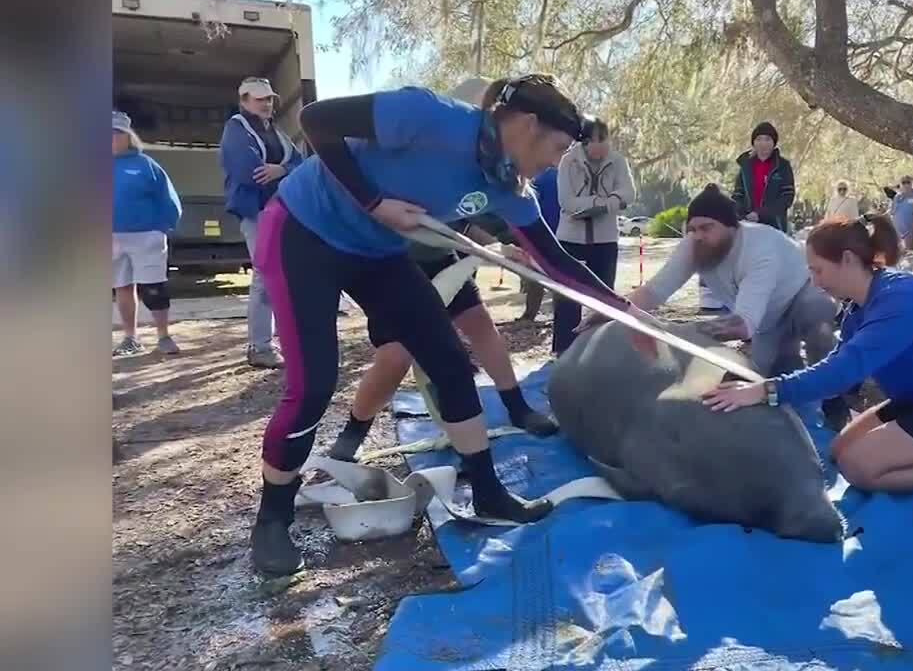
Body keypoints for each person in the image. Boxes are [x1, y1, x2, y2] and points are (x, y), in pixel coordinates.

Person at [248, 74, 657, 576]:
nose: (556, 162)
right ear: (528, 125)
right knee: (313, 385)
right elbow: (317, 121)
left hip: (377, 252)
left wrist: (623, 309)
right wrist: (374, 201)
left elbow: (556, 262)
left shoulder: (508, 189)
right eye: (555, 147)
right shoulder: (429, 116)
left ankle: (487, 492)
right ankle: (272, 519)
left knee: (450, 363)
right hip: (303, 231)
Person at [700, 216, 913, 514]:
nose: (814, 282)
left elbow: (845, 369)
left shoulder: (901, 298)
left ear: (849, 259)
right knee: (840, 451)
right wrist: (772, 392)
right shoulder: (858, 308)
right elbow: (837, 369)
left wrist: (765, 391)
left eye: (818, 270)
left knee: (859, 468)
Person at [596, 184, 851, 431]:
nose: (698, 236)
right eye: (693, 228)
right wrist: (606, 310)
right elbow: (654, 291)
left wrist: (672, 332)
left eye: (707, 228)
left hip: (800, 295)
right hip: (766, 321)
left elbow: (742, 326)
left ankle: (835, 402)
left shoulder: (759, 248)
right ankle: (802, 411)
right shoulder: (693, 246)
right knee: (767, 382)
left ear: (733, 227)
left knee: (818, 322)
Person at [326, 214, 557, 462]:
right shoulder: (379, 184)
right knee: (395, 356)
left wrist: (496, 249)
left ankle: (517, 406)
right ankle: (354, 431)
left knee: (479, 323)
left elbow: (463, 224)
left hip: (441, 260)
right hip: (389, 270)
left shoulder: (449, 184)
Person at [219, 77, 304, 369]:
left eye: (269, 98)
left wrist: (280, 169)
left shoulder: (274, 131)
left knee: (284, 275)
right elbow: (250, 172)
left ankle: (285, 342)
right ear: (244, 101)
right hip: (257, 212)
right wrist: (286, 171)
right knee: (265, 277)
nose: (266, 103)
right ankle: (260, 347)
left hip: (281, 210)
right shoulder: (236, 129)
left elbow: (300, 162)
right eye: (259, 99)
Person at [552, 119, 636, 354]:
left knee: (604, 295)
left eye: (604, 139)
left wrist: (608, 204)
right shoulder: (568, 162)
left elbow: (628, 193)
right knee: (568, 297)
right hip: (571, 239)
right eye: (593, 140)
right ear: (584, 142)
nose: (600, 145)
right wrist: (604, 202)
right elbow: (567, 202)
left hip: (605, 239)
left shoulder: (618, 161)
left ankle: (599, 350)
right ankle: (564, 351)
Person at [112, 110, 183, 356]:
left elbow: (168, 198)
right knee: (121, 286)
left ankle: (163, 336)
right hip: (111, 238)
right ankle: (130, 339)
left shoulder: (146, 165)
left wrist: (164, 226)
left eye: (116, 132)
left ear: (128, 136)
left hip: (146, 236)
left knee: (154, 288)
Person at [731, 122, 796, 233]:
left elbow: (787, 197)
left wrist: (760, 214)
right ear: (753, 143)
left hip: (774, 226)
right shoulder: (745, 166)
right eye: (759, 139)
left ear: (774, 143)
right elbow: (738, 194)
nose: (763, 143)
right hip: (748, 225)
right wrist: (742, 214)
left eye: (767, 139)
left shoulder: (783, 166)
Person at [520, 165, 560, 321]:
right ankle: (559, 315)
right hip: (559, 232)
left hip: (540, 232)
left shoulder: (537, 177)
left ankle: (530, 314)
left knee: (535, 276)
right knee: (559, 276)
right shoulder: (564, 174)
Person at [887, 175, 913, 248]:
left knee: (909, 251)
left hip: (910, 231)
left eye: (908, 182)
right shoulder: (897, 196)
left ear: (912, 183)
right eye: (903, 182)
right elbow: (892, 212)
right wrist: (899, 200)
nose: (906, 184)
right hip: (898, 231)